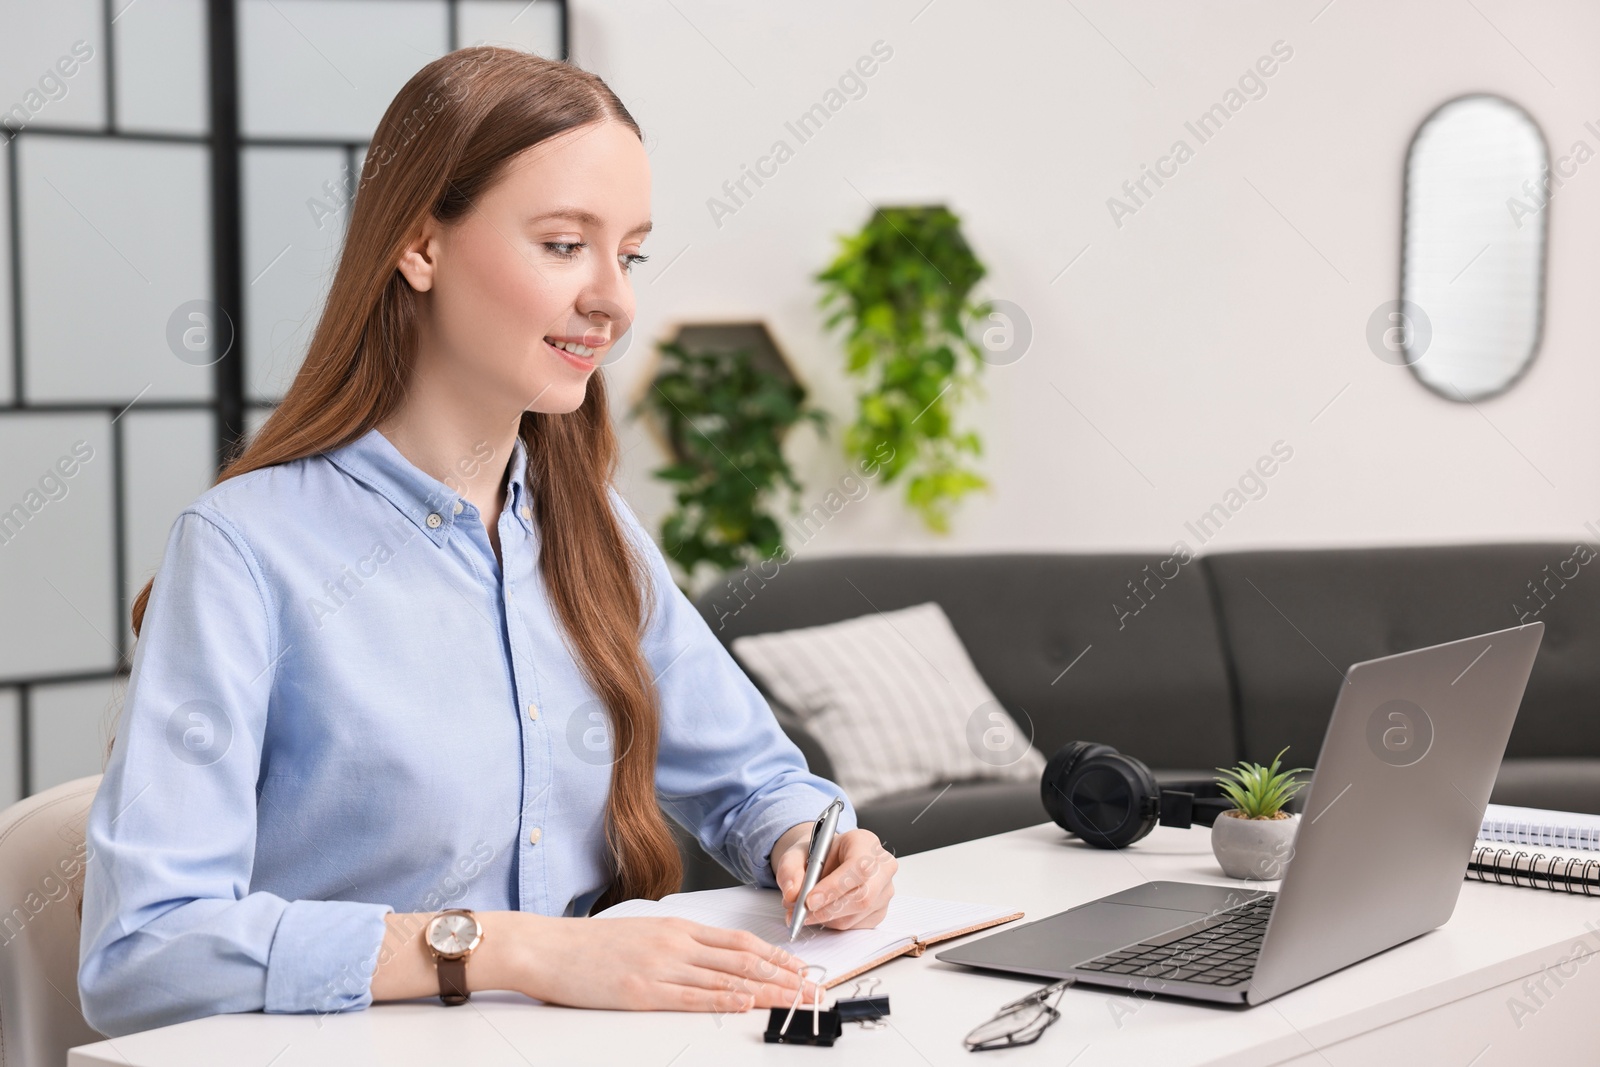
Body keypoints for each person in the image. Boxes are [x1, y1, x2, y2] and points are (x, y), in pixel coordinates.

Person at [76, 46, 897, 1039]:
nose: (615, 299)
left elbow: (756, 780)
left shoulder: (592, 529)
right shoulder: (247, 548)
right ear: (420, 247)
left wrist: (814, 844)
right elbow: (143, 950)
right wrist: (516, 947)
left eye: (628, 253)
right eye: (564, 245)